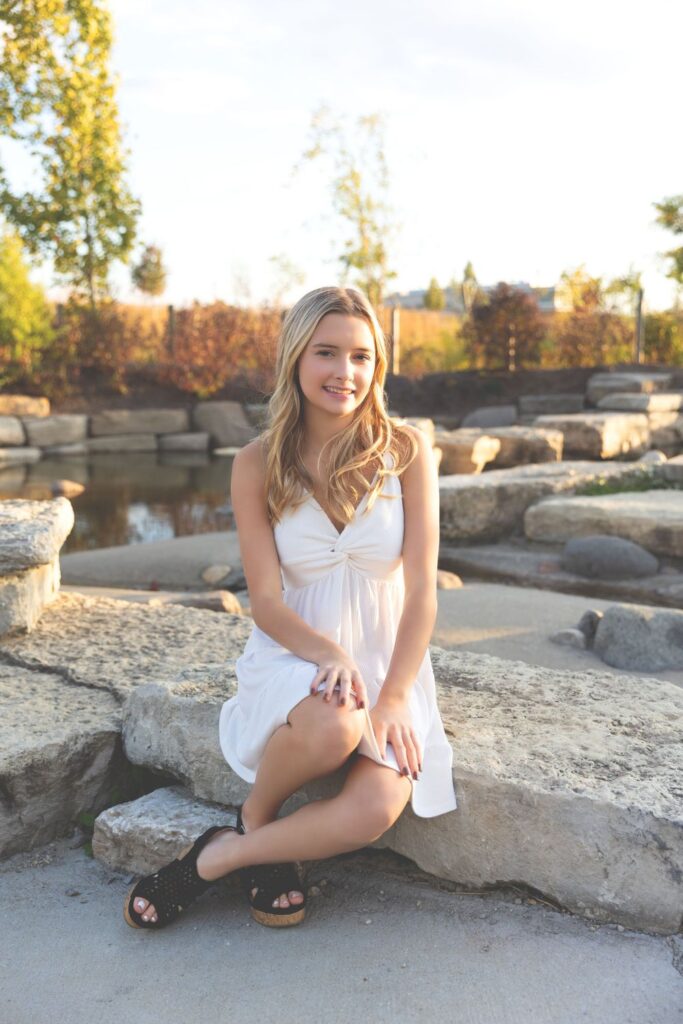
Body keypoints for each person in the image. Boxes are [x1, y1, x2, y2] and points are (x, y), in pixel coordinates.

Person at [124, 285, 458, 930]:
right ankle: (260, 811)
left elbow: (421, 590)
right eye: (327, 353)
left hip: (390, 660)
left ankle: (223, 854)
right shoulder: (256, 463)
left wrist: (391, 696)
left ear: (377, 368)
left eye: (362, 357)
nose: (345, 373)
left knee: (375, 808)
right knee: (334, 721)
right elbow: (267, 603)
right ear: (296, 359)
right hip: (293, 651)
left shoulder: (409, 452)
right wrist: (330, 654)